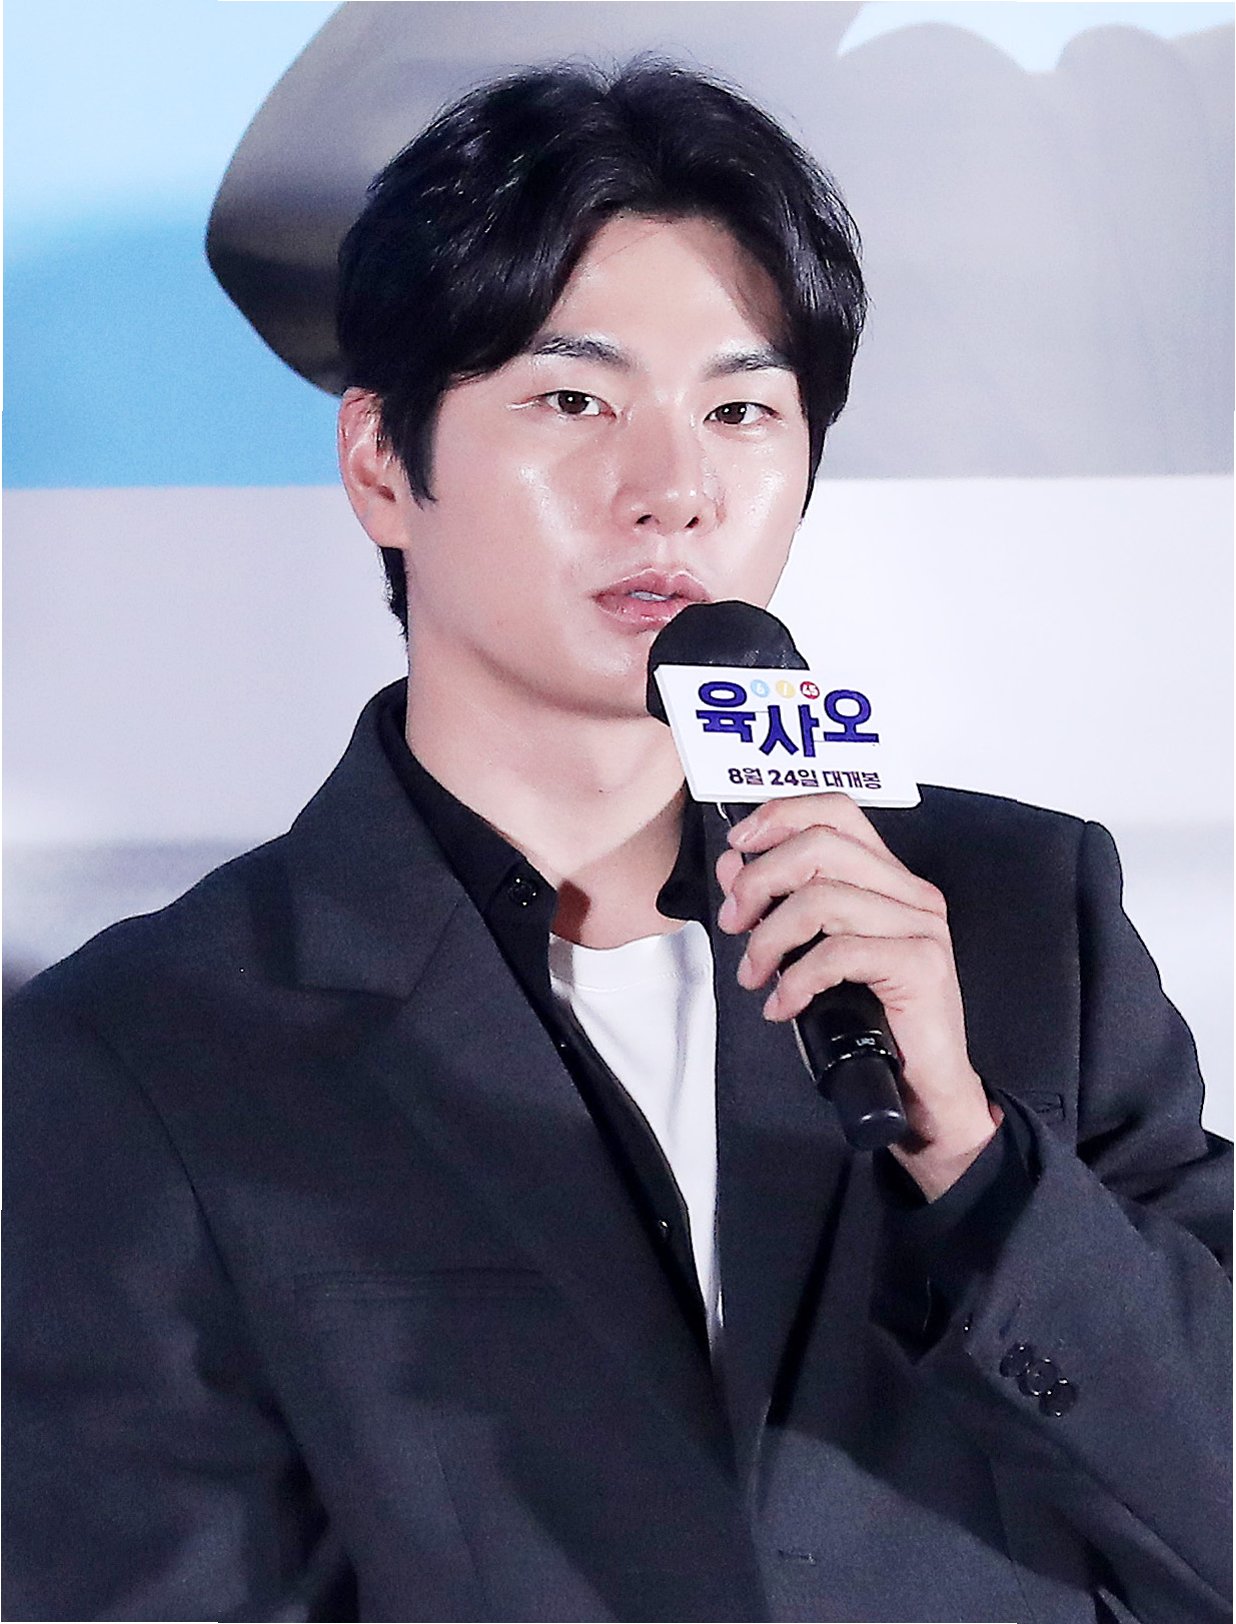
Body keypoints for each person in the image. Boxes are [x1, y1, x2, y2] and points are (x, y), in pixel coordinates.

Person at [3, 59, 1229, 1624]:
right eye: (572, 400)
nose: (672, 491)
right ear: (382, 464)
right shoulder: (147, 1048)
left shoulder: (1018, 918)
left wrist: (969, 1155)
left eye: (740, 409)